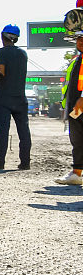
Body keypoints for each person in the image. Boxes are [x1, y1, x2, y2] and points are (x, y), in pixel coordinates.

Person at [0, 24, 31, 170]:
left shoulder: (2, 52)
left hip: (4, 99)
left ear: (3, 36)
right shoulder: (23, 54)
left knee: (3, 131)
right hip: (20, 99)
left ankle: (0, 162)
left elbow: (1, 73)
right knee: (24, 131)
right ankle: (25, 163)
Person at [55, 32, 83, 186]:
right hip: (76, 108)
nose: (81, 42)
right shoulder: (77, 60)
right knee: (77, 139)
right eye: (79, 39)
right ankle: (77, 173)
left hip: (82, 104)